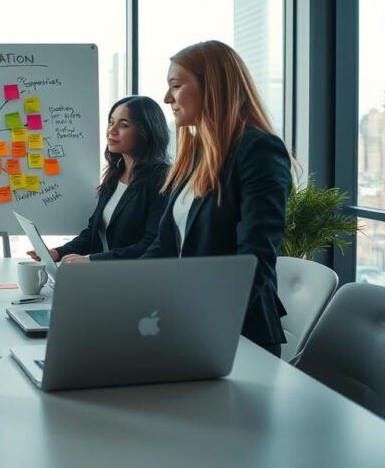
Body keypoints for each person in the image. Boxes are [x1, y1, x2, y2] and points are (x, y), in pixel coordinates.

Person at [142, 40, 292, 356]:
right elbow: (167, 245)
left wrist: (207, 322)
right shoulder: (196, 154)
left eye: (176, 86)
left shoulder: (258, 150)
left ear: (212, 87)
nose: (167, 98)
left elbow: (254, 257)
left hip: (235, 334)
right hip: (185, 322)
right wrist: (115, 287)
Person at [29, 96, 170, 264]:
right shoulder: (116, 173)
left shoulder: (161, 177)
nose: (112, 130)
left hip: (134, 278)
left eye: (123, 125)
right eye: (111, 122)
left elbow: (151, 245)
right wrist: (57, 253)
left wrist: (92, 260)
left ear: (146, 131)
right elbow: (93, 232)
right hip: (105, 275)